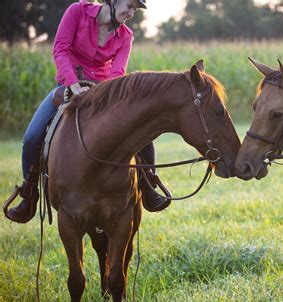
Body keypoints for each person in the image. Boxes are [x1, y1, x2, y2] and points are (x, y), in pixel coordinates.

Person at [5, 0, 169, 224]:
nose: (131, 13)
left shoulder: (126, 36)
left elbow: (117, 71)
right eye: (129, 6)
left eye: (135, 9)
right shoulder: (77, 12)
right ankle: (29, 195)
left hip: (103, 92)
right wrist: (73, 85)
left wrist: (102, 93)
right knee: (32, 137)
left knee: (141, 133)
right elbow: (60, 49)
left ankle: (149, 186)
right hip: (67, 85)